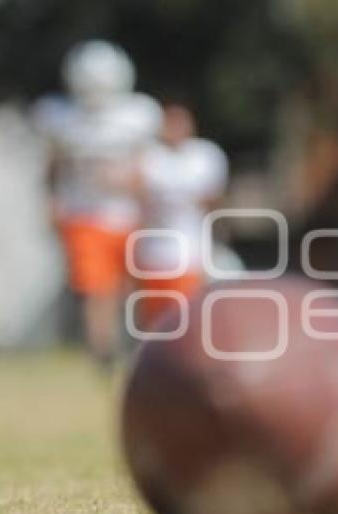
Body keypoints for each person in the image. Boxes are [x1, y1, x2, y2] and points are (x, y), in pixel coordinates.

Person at [33, 40, 162, 373]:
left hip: (128, 214)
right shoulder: (59, 117)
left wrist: (125, 184)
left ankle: (142, 350)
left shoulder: (139, 115)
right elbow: (53, 167)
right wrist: (51, 203)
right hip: (84, 213)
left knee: (132, 287)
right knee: (97, 289)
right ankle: (102, 352)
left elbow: (148, 171)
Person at [132, 103, 228, 327]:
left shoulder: (205, 155)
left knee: (185, 309)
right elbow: (133, 190)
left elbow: (214, 198)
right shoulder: (148, 157)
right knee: (153, 314)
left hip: (189, 247)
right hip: (152, 249)